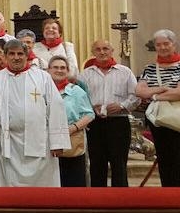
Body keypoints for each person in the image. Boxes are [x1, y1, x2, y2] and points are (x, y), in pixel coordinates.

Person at [0, 40, 69, 213]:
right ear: (5, 56)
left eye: (19, 54)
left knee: (39, 187)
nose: (16, 58)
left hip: (40, 141)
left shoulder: (42, 77)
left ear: (26, 55)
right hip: (10, 143)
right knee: (11, 185)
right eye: (11, 54)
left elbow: (56, 108)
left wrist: (57, 142)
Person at [78, 40, 139, 187]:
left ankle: (121, 198)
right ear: (93, 52)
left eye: (105, 48)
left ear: (112, 51)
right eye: (98, 49)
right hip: (94, 124)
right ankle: (98, 198)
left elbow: (136, 96)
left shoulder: (125, 72)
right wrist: (91, 108)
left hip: (118, 123)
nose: (102, 52)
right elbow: (79, 98)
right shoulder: (85, 75)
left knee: (119, 164)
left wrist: (122, 105)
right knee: (97, 164)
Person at [136, 29, 180, 187]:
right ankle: (168, 191)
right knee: (164, 156)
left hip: (177, 117)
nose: (162, 47)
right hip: (157, 120)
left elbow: (179, 93)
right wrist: (164, 90)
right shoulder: (149, 68)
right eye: (158, 45)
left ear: (174, 44)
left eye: (166, 43)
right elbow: (140, 91)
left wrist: (154, 96)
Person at [48, 55, 95, 187]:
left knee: (73, 180)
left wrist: (73, 128)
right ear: (48, 70)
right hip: (48, 141)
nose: (59, 70)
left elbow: (89, 114)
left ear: (68, 71)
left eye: (63, 68)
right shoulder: (43, 90)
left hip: (72, 140)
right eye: (55, 67)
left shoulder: (76, 91)